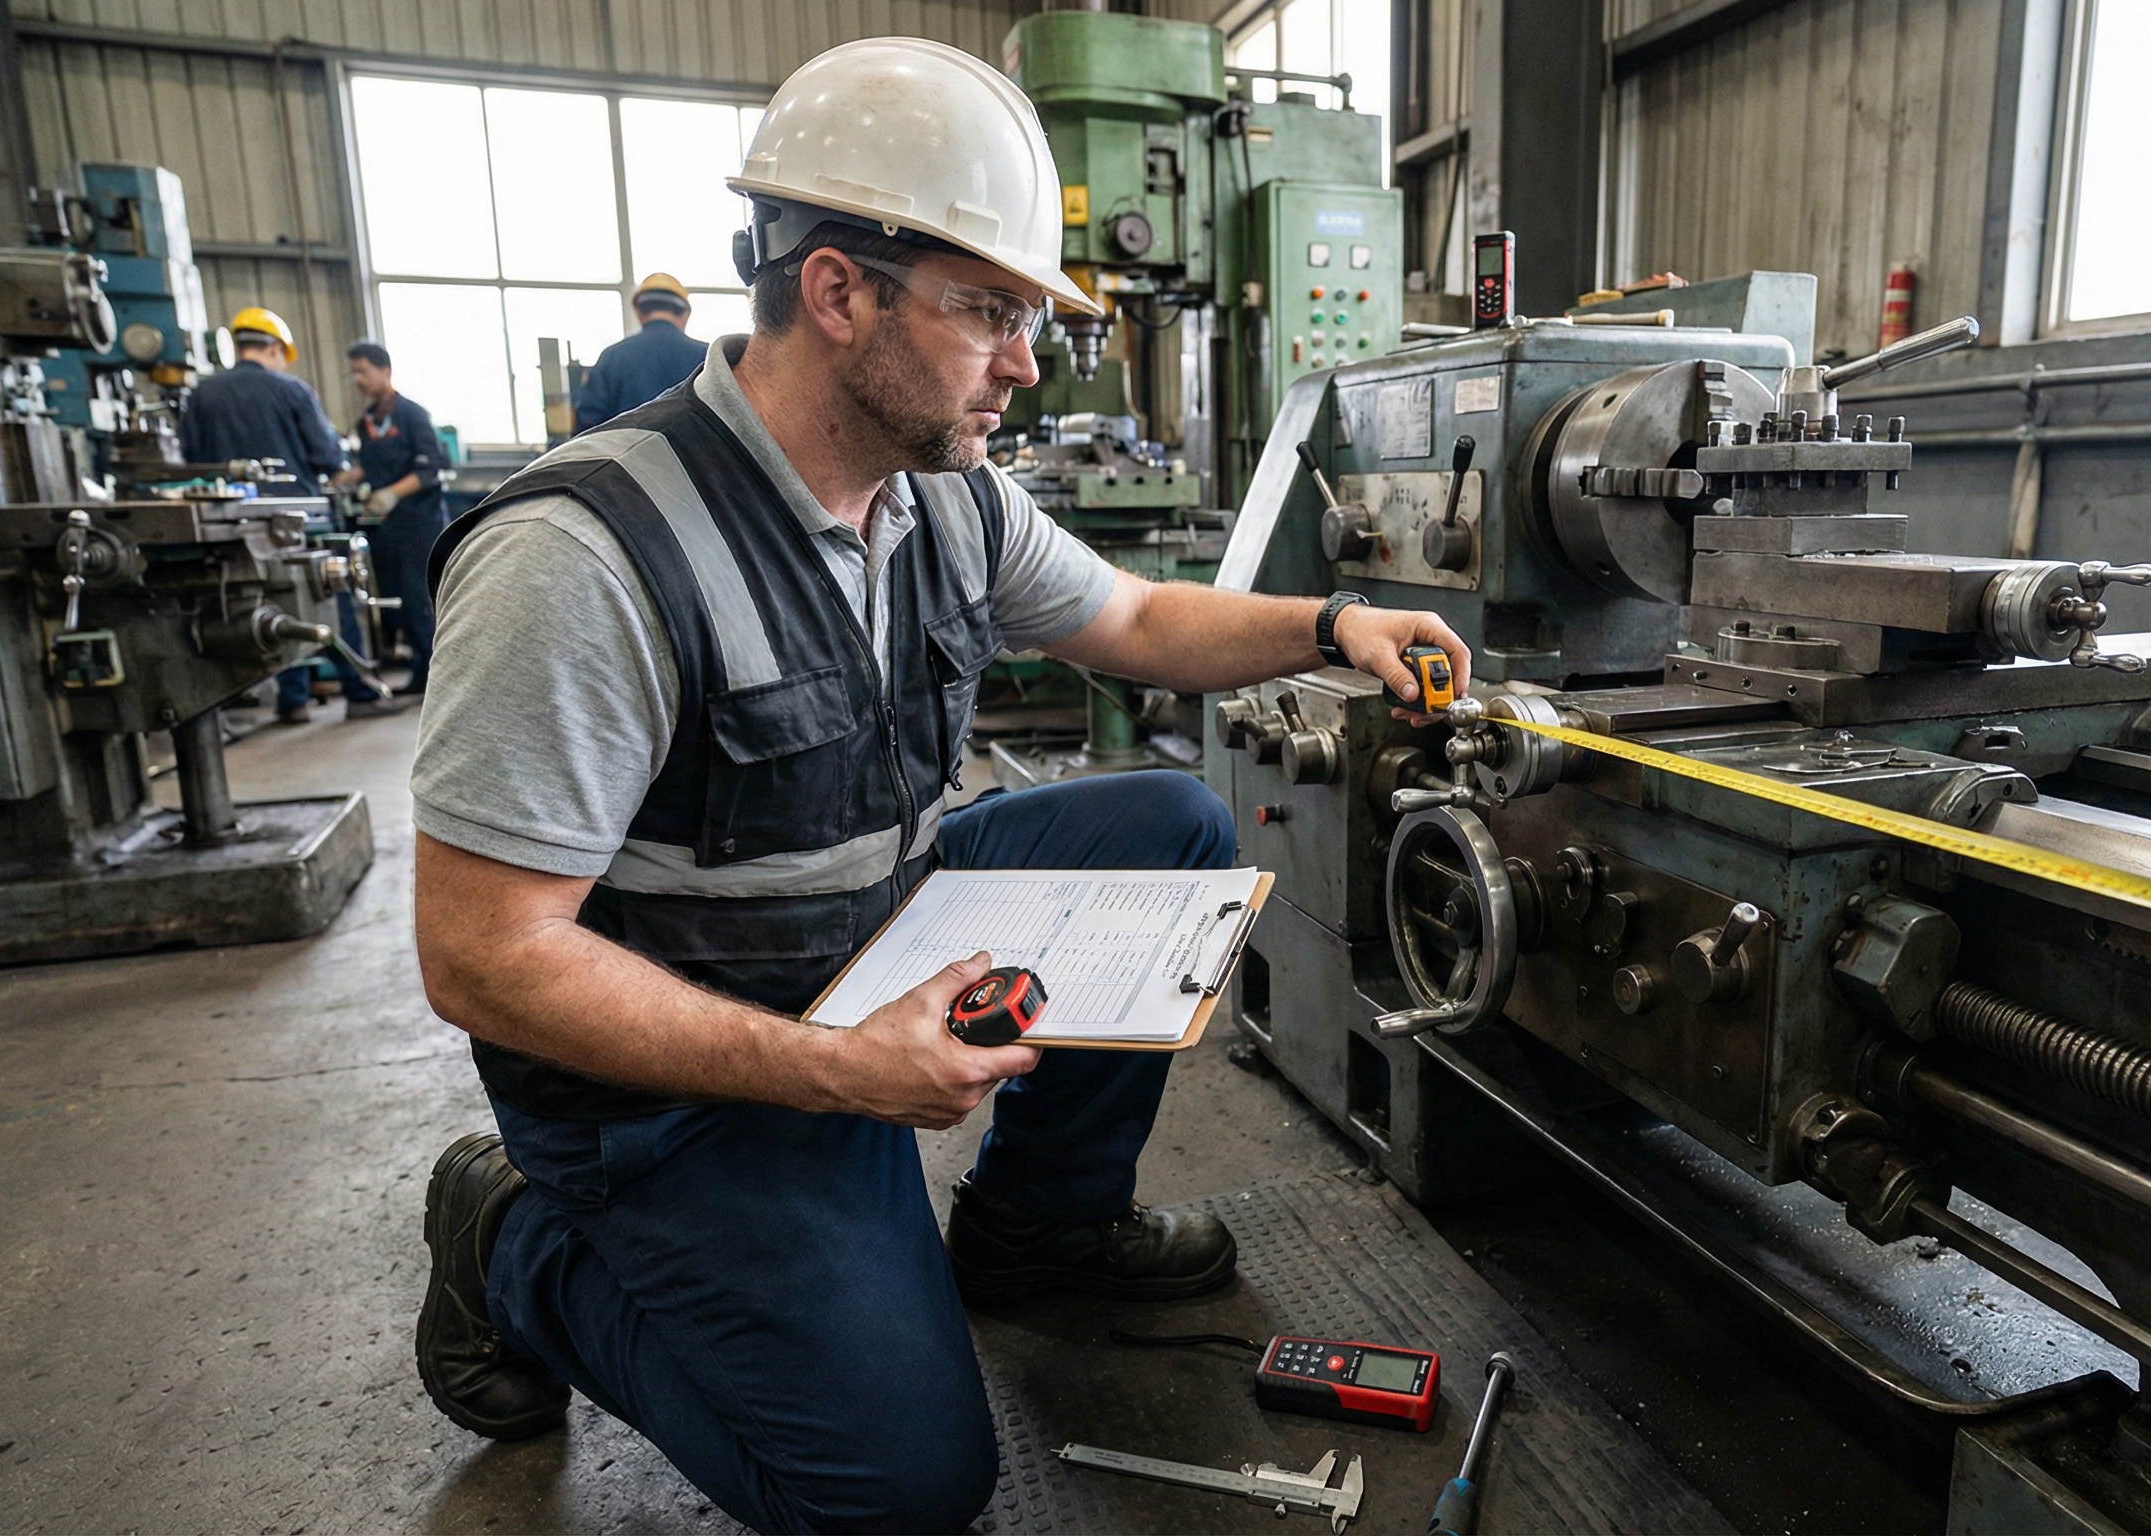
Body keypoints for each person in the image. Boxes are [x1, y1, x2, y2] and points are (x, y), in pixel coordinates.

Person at [405, 36, 1468, 1535]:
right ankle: (510, 1241)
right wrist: (840, 1073)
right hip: (683, 1078)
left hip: (868, 945)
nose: (1028, 364)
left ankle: (1036, 1233)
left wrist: (1331, 623)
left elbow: (1142, 623)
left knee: (1166, 827)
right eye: (992, 312)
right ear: (839, 292)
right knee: (894, 1492)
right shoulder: (585, 562)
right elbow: (482, 955)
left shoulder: (945, 503)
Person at [180, 307, 390, 723]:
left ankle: (291, 700)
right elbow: (327, 456)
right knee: (328, 597)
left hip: (230, 525)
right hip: (299, 519)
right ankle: (359, 692)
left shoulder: (203, 394)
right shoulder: (292, 391)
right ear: (275, 349)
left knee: (263, 606)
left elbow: (191, 458)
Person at [337, 340, 450, 695]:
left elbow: (431, 468)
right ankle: (421, 672)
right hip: (389, 530)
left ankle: (441, 677)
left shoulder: (412, 415)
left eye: (363, 371)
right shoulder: (367, 422)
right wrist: (346, 478)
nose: (357, 379)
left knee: (422, 600)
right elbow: (370, 466)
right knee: (399, 602)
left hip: (420, 525)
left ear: (384, 371)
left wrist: (391, 494)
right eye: (353, 372)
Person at [571, 271, 702, 433]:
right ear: (685, 314)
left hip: (624, 455)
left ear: (639, 313)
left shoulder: (613, 357)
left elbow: (588, 422)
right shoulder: (708, 357)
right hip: (693, 457)